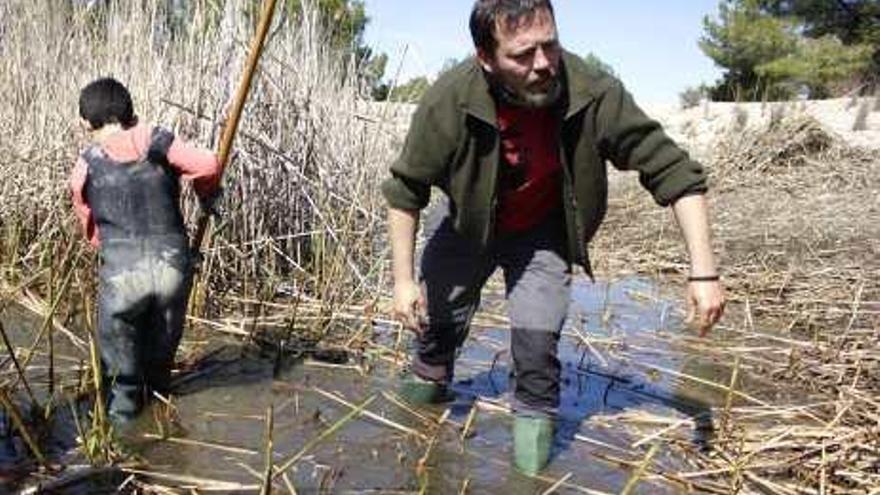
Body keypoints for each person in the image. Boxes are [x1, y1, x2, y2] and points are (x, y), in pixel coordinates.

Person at [382, 0, 725, 475]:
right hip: (467, 226)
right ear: (486, 58)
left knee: (537, 359)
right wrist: (403, 282)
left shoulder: (594, 91)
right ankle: (412, 444)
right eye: (523, 54)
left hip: (541, 233)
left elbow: (674, 172)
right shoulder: (449, 98)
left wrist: (703, 272)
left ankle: (529, 478)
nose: (543, 64)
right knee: (435, 339)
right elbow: (406, 191)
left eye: (550, 45)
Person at [70, 78, 221, 425]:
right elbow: (209, 165)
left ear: (85, 122)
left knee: (120, 382)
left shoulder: (85, 165)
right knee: (159, 368)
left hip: (122, 276)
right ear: (130, 112)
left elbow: (91, 231)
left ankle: (124, 440)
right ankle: (162, 421)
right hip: (172, 270)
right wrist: (205, 191)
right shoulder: (157, 139)